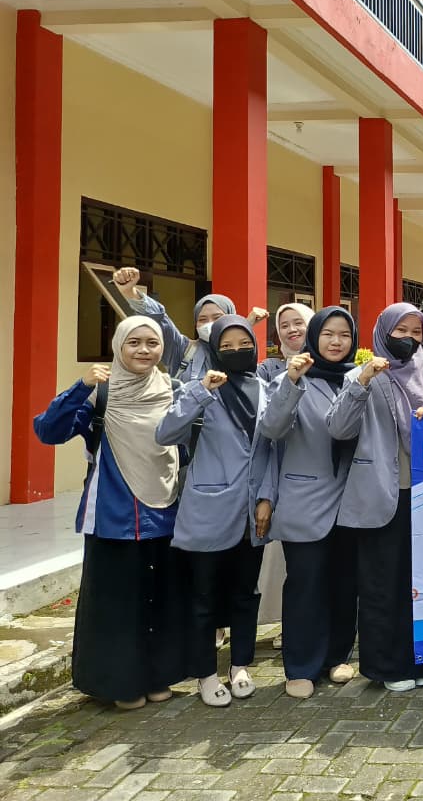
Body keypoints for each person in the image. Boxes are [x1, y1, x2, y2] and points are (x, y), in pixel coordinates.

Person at [33, 317, 185, 710]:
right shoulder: (99, 395)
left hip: (165, 511)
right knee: (116, 604)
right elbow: (48, 431)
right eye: (133, 342)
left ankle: (156, 676)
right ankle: (120, 683)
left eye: (152, 342)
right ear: (118, 346)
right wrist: (81, 386)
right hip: (113, 516)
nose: (143, 350)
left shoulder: (171, 389)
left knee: (158, 599)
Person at [159, 316, 275, 708]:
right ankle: (206, 673)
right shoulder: (201, 387)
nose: (236, 350)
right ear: (214, 350)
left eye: (244, 342)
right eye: (226, 345)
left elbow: (272, 449)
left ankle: (240, 664)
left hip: (252, 513)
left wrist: (267, 498)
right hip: (210, 507)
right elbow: (166, 434)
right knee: (204, 594)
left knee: (246, 591)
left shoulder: (265, 388)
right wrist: (200, 393)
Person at [327, 302, 423, 692]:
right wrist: (361, 383)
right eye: (400, 331)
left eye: (417, 332)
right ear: (383, 331)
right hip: (379, 493)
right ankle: (385, 665)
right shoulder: (363, 375)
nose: (408, 339)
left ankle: (419, 660)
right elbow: (339, 428)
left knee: (417, 582)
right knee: (380, 582)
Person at [259, 306, 360, 699]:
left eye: (344, 335)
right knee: (305, 583)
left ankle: (337, 656)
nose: (336, 342)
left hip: (351, 499)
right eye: (329, 334)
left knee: (343, 583)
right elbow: (270, 428)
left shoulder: (357, 377)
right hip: (305, 498)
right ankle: (301, 664)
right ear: (314, 336)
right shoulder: (291, 378)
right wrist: (291, 383)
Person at [256, 302, 315, 641]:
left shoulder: (334, 365)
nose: (293, 329)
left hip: (322, 474)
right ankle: (285, 621)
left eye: (299, 322)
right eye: (285, 325)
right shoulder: (268, 371)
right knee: (282, 557)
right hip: (283, 466)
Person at [110, 267, 268, 381]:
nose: (209, 324)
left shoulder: (242, 352)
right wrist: (130, 292)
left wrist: (245, 325)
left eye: (218, 317)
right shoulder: (183, 349)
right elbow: (159, 319)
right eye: (202, 319)